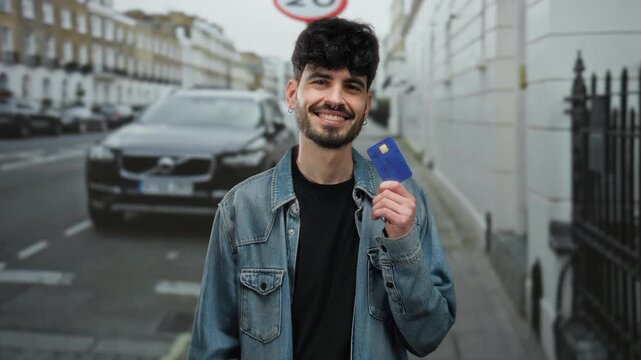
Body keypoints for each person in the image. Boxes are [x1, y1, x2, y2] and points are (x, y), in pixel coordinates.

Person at [188, 17, 455, 360]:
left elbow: (428, 336)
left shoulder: (405, 202)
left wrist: (402, 244)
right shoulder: (241, 209)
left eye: (352, 86)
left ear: (367, 106)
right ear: (291, 94)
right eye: (321, 81)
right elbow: (212, 346)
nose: (335, 98)